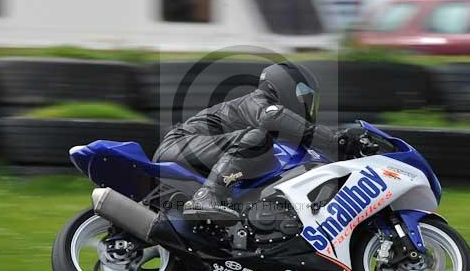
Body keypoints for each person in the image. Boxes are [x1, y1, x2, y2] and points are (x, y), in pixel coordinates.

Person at [153, 62, 366, 221]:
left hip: (199, 153)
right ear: (284, 85)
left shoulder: (275, 125)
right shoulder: (258, 102)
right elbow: (272, 117)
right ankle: (206, 196)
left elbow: (299, 135)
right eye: (302, 93)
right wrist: (333, 139)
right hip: (181, 144)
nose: (305, 101)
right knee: (257, 138)